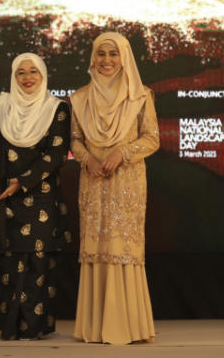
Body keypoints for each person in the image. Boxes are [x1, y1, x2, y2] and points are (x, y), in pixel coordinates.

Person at [70, 31, 159, 345]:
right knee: (97, 248)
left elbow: (152, 138)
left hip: (127, 181)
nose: (106, 61)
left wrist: (123, 152)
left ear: (124, 58)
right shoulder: (80, 98)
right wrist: (85, 159)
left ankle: (128, 326)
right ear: (93, 58)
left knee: (124, 249)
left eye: (113, 54)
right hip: (94, 182)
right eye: (101, 54)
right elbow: (76, 139)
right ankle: (96, 327)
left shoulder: (141, 96)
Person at [0, 53, 72, 340]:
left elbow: (56, 154)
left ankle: (32, 326)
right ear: (13, 77)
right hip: (2, 195)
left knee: (36, 263)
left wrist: (23, 181)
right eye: (21, 72)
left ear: (43, 76)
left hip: (40, 196)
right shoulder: (0, 105)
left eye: (34, 72)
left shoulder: (57, 109)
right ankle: (6, 325)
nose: (27, 77)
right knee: (4, 261)